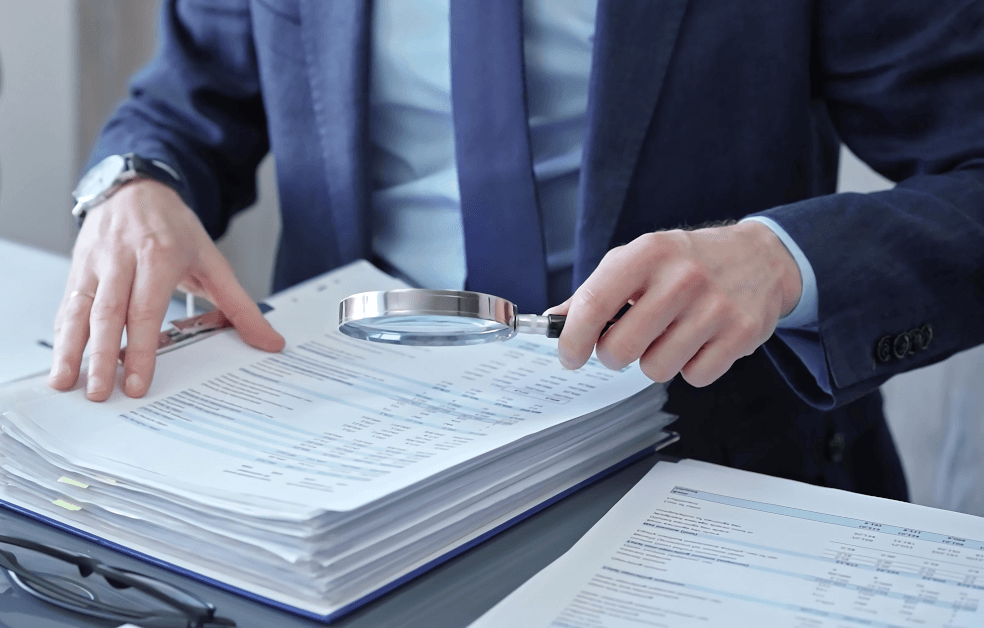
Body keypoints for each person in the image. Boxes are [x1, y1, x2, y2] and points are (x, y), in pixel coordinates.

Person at [48, 0, 984, 501]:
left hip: (708, 469)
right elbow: (184, 99)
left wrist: (784, 260)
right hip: (334, 474)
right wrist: (131, 185)